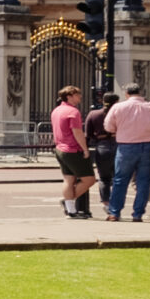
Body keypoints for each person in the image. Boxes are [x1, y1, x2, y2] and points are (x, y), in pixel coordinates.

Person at [103, 83, 150, 222]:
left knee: (120, 180)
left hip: (126, 146)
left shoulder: (118, 107)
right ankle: (138, 214)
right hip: (148, 146)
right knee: (143, 181)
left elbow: (109, 127)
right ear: (140, 92)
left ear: (126, 94)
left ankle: (114, 212)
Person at [51, 85, 95, 218]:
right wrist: (85, 149)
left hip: (60, 148)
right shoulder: (73, 112)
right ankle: (68, 202)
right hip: (73, 149)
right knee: (89, 179)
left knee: (69, 179)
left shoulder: (56, 110)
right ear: (69, 97)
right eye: (77, 94)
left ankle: (71, 209)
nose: (80, 97)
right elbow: (77, 132)